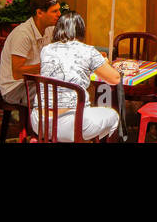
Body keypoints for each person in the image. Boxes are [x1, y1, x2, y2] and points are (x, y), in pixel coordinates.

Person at [29, 11, 121, 141]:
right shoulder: (88, 51)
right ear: (81, 30)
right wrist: (102, 63)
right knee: (113, 116)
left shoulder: (46, 50)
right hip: (70, 124)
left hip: (39, 122)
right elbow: (115, 79)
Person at [0, 0, 63, 106]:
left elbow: (66, 48)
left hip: (35, 82)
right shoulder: (23, 34)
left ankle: (53, 123)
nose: (59, 14)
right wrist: (46, 66)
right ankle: (40, 123)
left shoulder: (50, 29)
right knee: (58, 97)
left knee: (71, 90)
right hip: (14, 87)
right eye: (54, 11)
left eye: (59, 10)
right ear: (40, 13)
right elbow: (17, 73)